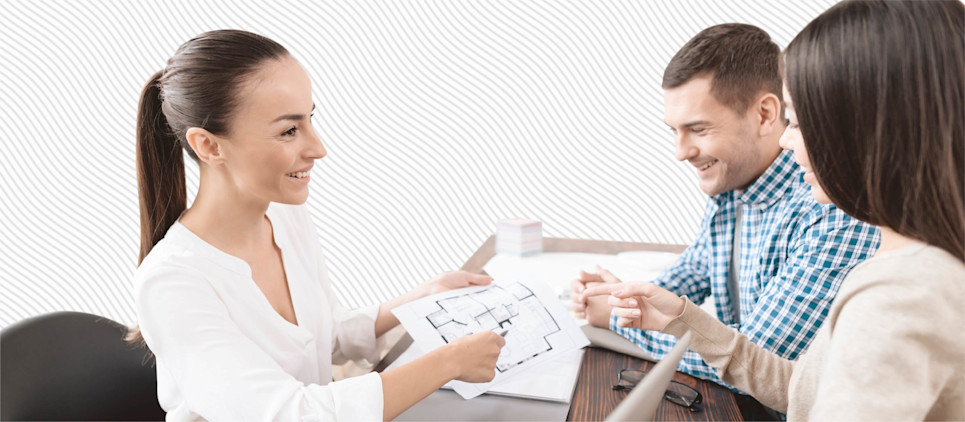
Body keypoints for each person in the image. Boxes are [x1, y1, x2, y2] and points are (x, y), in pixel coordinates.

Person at [584, 0, 965, 419]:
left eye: (798, 122)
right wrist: (675, 318)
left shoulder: (898, 294)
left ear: (864, 131)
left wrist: (618, 320)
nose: (786, 140)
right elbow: (802, 388)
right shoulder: (894, 271)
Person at [130, 30, 505, 421]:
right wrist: (449, 362)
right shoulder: (172, 282)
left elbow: (318, 339)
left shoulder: (285, 217)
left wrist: (420, 296)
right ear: (209, 146)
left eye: (310, 119)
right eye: (289, 131)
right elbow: (290, 414)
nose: (319, 148)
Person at [570, 23, 879, 388]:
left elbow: (758, 361)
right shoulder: (731, 188)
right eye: (674, 130)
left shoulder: (831, 207)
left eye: (699, 129)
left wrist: (617, 320)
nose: (681, 152)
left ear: (765, 114)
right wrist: (620, 298)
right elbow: (687, 277)